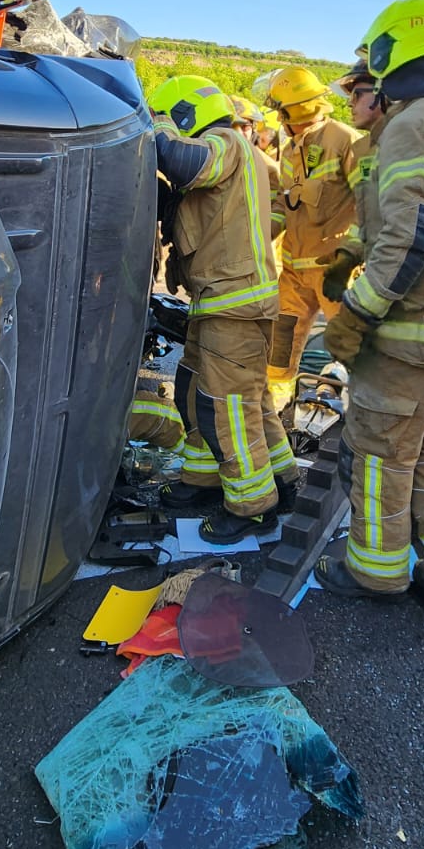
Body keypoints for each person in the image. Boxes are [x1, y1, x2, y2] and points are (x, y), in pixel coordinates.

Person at [314, 0, 424, 611]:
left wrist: (357, 313)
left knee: (380, 457)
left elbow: (412, 233)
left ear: (390, 53)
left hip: (409, 338)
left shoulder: (411, 124)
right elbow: (411, 217)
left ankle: (377, 573)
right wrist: (348, 252)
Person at [148, 76, 300, 542]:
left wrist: (149, 127)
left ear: (185, 115)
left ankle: (254, 506)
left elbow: (182, 159)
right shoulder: (241, 154)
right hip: (220, 303)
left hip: (232, 304)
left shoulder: (226, 142)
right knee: (207, 393)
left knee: (225, 409)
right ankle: (236, 479)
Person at [262, 65, 360, 407]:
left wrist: (349, 258)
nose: (277, 118)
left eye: (280, 110)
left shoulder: (345, 141)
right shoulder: (290, 149)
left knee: (355, 352)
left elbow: (370, 202)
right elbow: (285, 203)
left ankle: (362, 420)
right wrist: (262, 234)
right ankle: (273, 415)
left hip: (335, 273)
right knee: (279, 352)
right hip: (293, 273)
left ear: (293, 111)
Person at [318, 59, 389, 303]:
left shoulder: (410, 143)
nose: (350, 103)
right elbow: (368, 213)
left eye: (357, 95)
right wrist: (349, 256)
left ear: (383, 92)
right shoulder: (363, 149)